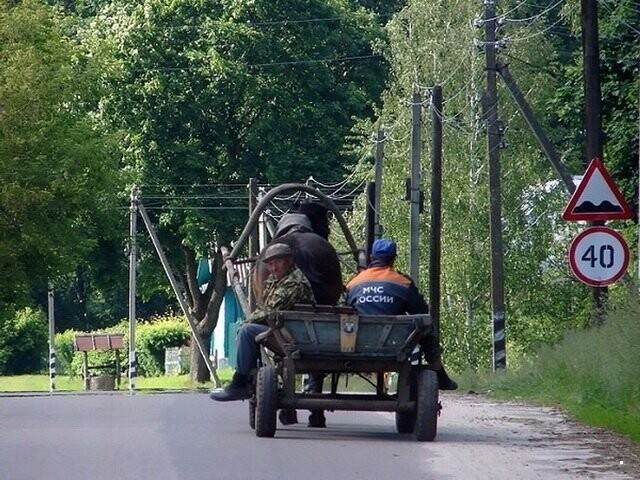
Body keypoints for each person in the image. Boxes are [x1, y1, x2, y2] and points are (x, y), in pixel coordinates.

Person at [345, 238, 457, 391]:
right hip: (393, 346)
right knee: (427, 325)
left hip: (357, 345)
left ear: (372, 258)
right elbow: (421, 312)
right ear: (393, 259)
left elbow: (344, 311)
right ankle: (439, 371)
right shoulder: (403, 283)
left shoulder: (353, 283)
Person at [210, 243, 315, 402]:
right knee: (248, 329)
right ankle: (250, 374)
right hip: (283, 329)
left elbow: (269, 310)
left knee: (247, 331)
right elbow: (264, 306)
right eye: (271, 264)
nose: (274, 268)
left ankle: (241, 383)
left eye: (278, 262)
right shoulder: (276, 279)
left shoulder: (294, 281)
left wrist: (248, 321)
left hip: (295, 336)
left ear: (289, 261)